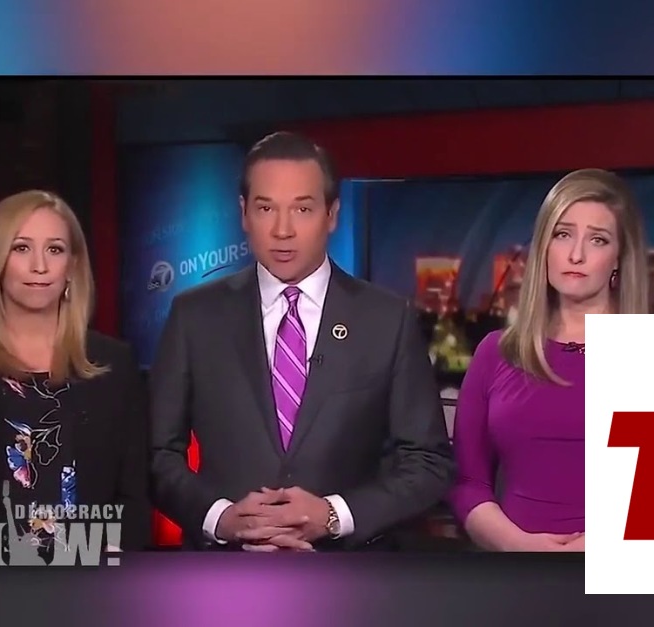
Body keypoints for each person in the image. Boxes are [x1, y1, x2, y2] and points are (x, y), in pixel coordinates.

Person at [149, 132, 455, 552]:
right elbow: (157, 455)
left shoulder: (387, 319)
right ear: (243, 214)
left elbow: (428, 462)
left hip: (349, 573)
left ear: (332, 214)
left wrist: (333, 514)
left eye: (302, 209)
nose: (282, 230)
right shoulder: (194, 316)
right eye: (265, 208)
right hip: (224, 571)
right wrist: (221, 518)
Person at [0, 190, 151, 555]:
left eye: (55, 249)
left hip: (92, 577)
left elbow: (135, 497)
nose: (40, 266)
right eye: (21, 248)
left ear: (72, 265)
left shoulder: (115, 363)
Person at [447, 169, 649, 552]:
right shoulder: (496, 352)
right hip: (517, 572)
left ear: (620, 257)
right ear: (544, 247)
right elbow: (468, 482)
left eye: (598, 239)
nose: (576, 254)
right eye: (563, 234)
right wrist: (518, 545)